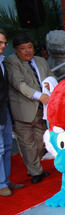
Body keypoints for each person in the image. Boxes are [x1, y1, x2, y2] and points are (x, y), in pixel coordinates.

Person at [4, 34, 54, 184]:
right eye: (23, 49)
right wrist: (40, 96)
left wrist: (50, 85)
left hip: (42, 110)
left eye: (30, 47)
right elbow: (19, 84)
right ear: (15, 50)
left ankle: (34, 166)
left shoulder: (40, 61)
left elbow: (51, 76)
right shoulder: (11, 62)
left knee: (40, 142)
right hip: (23, 110)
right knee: (27, 143)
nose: (27, 51)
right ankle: (35, 172)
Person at [0, 30, 24, 196]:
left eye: (4, 43)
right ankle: (1, 184)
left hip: (4, 109)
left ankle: (6, 181)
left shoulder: (2, 61)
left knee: (8, 147)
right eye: (0, 43)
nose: (3, 46)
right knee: (0, 148)